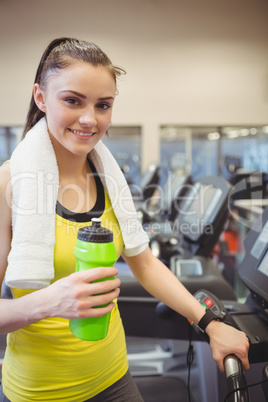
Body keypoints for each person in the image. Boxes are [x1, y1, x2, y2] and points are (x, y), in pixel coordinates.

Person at [0, 37, 249, 402]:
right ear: (40, 97)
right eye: (72, 100)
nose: (90, 119)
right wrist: (50, 303)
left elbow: (146, 264)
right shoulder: (10, 183)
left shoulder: (109, 180)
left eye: (103, 105)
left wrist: (211, 324)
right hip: (40, 390)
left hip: (114, 378)